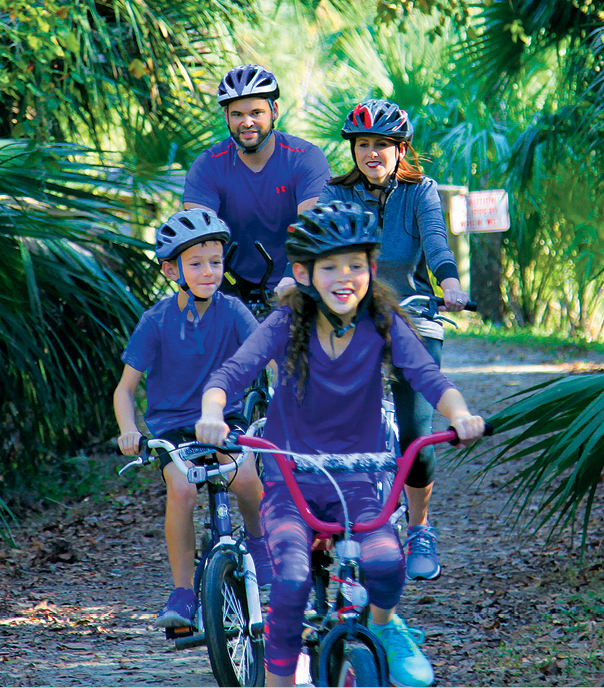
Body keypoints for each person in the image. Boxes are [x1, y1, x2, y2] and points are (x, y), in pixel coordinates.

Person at [196, 201, 485, 687]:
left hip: (360, 480)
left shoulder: (384, 323)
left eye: (356, 264)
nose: (344, 276)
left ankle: (381, 626)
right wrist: (211, 413)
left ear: (373, 268)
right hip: (291, 481)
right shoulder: (287, 324)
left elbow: (429, 377)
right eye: (329, 266)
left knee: (387, 565)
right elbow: (231, 374)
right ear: (305, 273)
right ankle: (279, 680)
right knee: (290, 581)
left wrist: (460, 415)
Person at [318, 99, 469, 582]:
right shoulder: (334, 193)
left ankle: (420, 527)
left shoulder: (419, 191)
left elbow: (437, 244)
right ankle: (341, 523)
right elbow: (317, 243)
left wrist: (450, 285)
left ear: (400, 149)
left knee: (416, 433)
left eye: (381, 144)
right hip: (352, 320)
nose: (371, 153)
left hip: (413, 316)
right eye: (363, 144)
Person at [113, 208, 270, 630]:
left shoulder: (233, 310)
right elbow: (125, 389)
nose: (209, 272)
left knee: (244, 478)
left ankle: (258, 541)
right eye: (196, 263)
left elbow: (266, 350)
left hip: (224, 418)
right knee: (180, 489)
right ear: (171, 269)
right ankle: (183, 591)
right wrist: (130, 429)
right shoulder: (156, 320)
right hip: (173, 428)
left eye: (216, 263)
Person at [182, 63, 331, 300]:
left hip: (295, 281)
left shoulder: (306, 158)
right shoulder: (208, 165)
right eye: (237, 115)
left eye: (256, 113)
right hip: (226, 286)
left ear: (274, 111)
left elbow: (312, 226)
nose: (247, 122)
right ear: (226, 117)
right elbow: (198, 235)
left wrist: (292, 276)